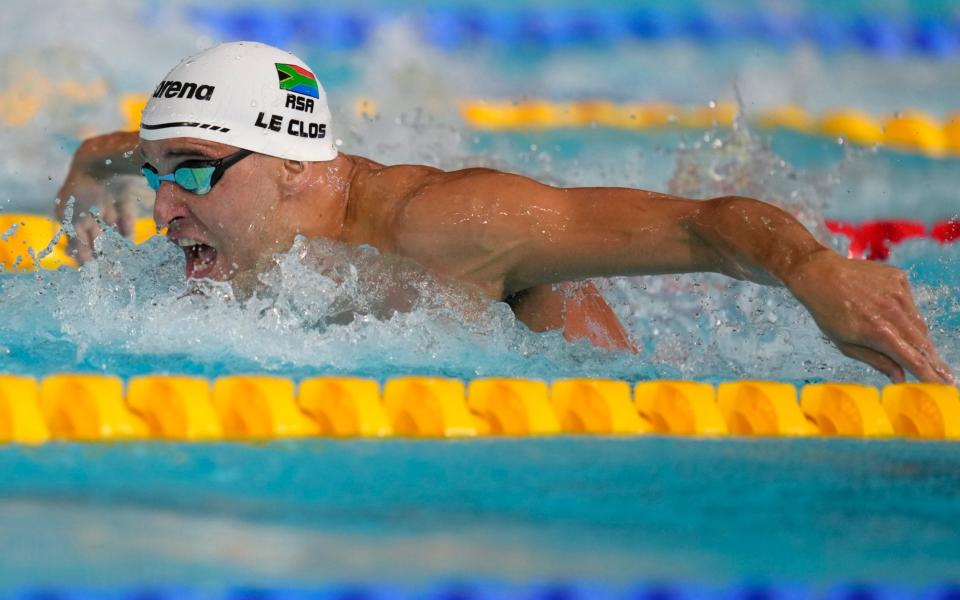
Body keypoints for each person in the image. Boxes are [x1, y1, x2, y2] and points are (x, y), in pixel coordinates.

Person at [56, 41, 954, 384]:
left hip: (588, 395)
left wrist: (814, 269)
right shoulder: (232, 183)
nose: (165, 204)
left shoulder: (446, 224)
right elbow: (105, 154)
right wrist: (88, 184)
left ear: (298, 167)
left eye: (196, 174)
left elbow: (703, 222)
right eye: (159, 170)